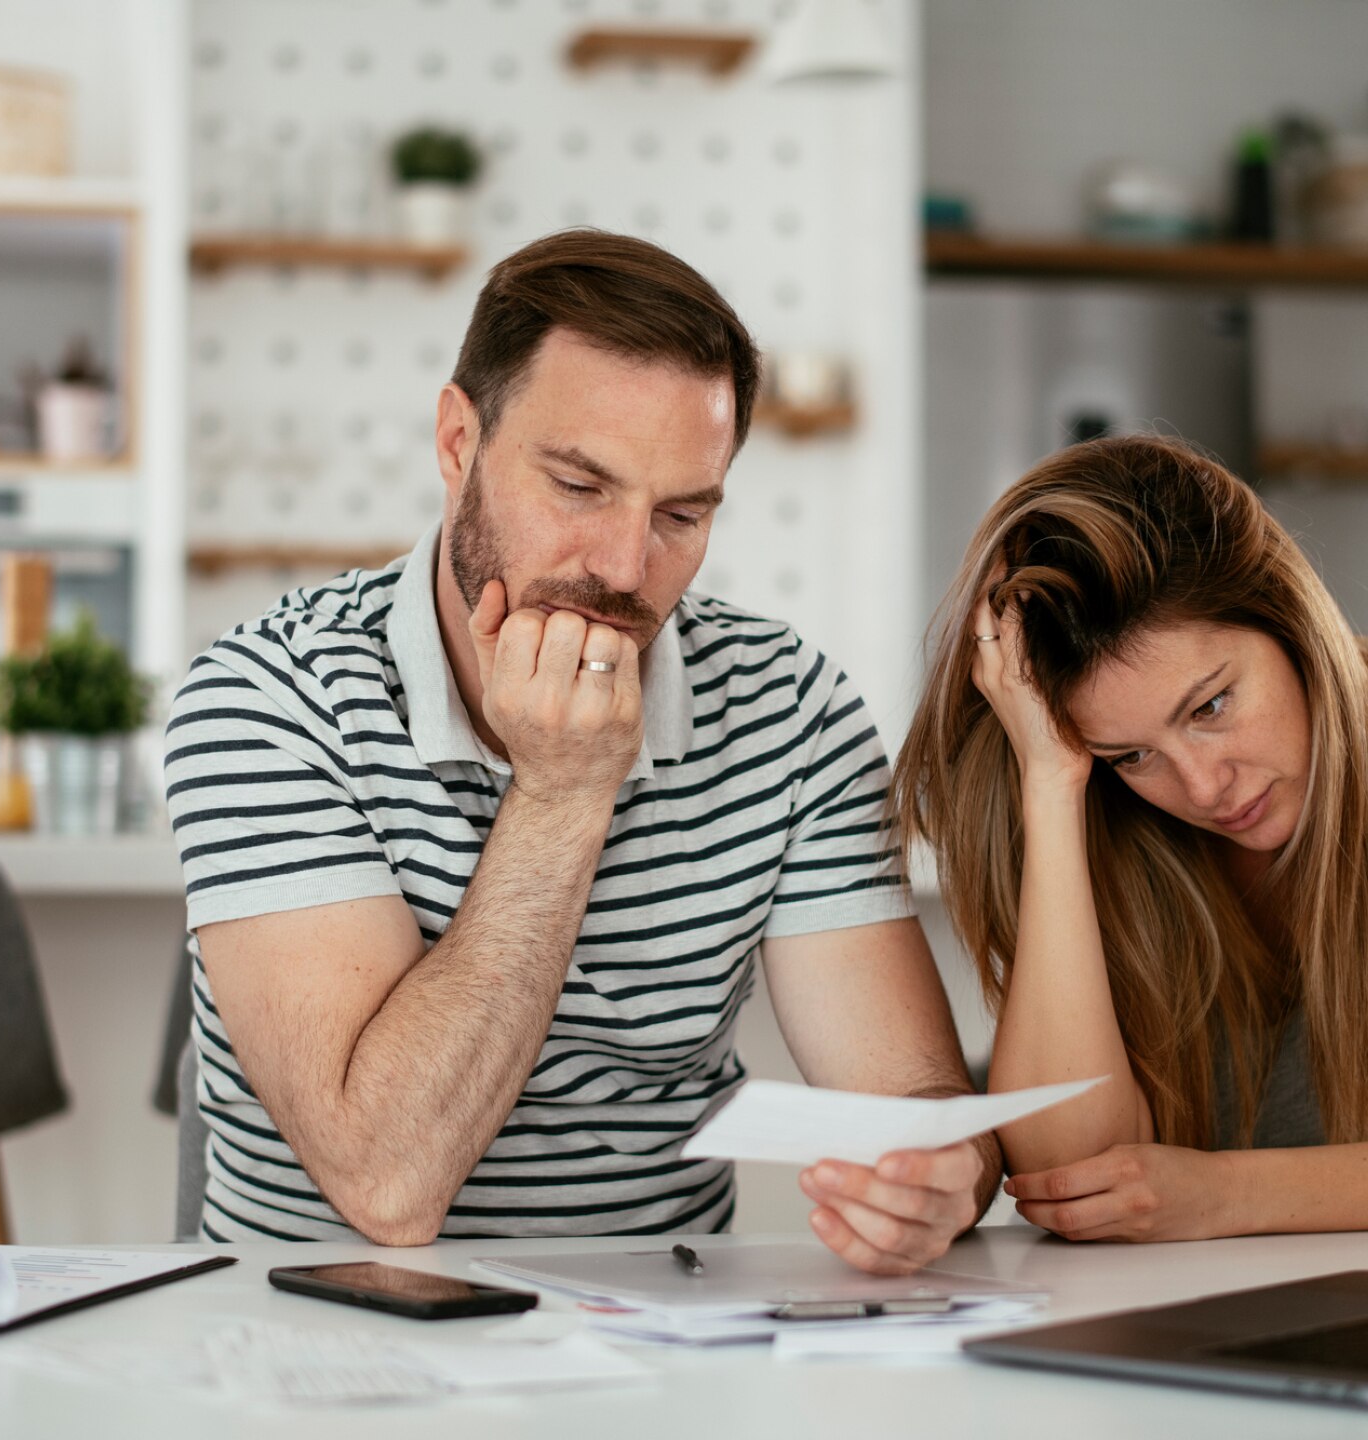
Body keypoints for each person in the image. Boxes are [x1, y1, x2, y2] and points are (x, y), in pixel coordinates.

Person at [165, 229, 997, 1270]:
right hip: (323, 1344)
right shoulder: (265, 699)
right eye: (578, 486)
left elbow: (911, 1101)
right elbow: (387, 1181)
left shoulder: (791, 708)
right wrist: (562, 794)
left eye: (682, 514)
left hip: (662, 1345)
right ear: (458, 442)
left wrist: (942, 1178)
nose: (623, 568)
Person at [892, 433, 1368, 1243]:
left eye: (1211, 706)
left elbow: (1159, 1196)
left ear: (1290, 622)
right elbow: (1075, 1173)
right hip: (1212, 1344)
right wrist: (1052, 782)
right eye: (1133, 755)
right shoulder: (1112, 830)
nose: (1203, 787)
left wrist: (1228, 1195)